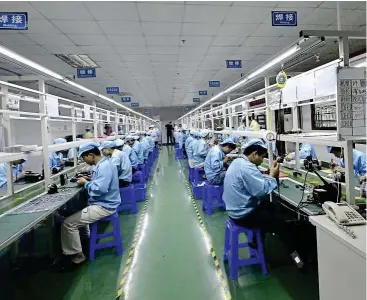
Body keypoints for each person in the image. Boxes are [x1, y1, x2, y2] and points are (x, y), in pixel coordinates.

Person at [222, 139, 304, 269]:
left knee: (269, 206)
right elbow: (262, 191)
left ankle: (256, 239)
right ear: (254, 153)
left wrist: (269, 175)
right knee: (281, 225)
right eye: (262, 157)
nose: (262, 160)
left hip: (233, 210)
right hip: (244, 215)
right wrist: (272, 175)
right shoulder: (247, 167)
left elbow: (252, 181)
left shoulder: (238, 162)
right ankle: (298, 259)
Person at [61, 141, 120, 266]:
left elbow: (101, 189)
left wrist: (85, 183)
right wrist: (91, 180)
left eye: (84, 157)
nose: (84, 160)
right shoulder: (102, 164)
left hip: (104, 206)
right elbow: (101, 183)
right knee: (75, 212)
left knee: (68, 223)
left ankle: (77, 257)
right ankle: (84, 240)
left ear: (91, 155)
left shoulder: (104, 167)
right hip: (104, 202)